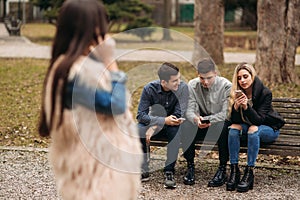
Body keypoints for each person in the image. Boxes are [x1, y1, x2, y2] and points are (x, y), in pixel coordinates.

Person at [38, 0, 142, 199]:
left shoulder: (74, 65)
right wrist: (112, 65)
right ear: (92, 28)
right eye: (103, 25)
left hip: (98, 167)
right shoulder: (75, 73)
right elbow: (116, 105)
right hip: (93, 175)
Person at [226, 63, 285, 192]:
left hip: (269, 129)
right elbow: (234, 121)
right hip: (250, 126)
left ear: (252, 76)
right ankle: (234, 170)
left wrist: (247, 106)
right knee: (233, 129)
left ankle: (249, 171)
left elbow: (259, 120)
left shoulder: (265, 93)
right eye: (239, 78)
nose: (242, 81)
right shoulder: (237, 92)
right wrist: (236, 108)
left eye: (245, 76)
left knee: (253, 130)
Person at [136, 62, 189, 188]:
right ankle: (144, 167)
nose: (179, 82)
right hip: (154, 121)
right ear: (163, 82)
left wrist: (156, 125)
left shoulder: (182, 88)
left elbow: (177, 114)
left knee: (174, 130)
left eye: (179, 78)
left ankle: (169, 170)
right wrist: (160, 122)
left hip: (169, 124)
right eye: (175, 80)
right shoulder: (149, 89)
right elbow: (140, 115)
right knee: (138, 130)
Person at [181, 58, 232, 186]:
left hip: (217, 124)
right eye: (202, 78)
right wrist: (195, 119)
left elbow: (226, 113)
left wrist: (210, 119)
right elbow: (189, 109)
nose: (205, 82)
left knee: (223, 126)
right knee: (186, 124)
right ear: (198, 75)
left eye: (209, 77)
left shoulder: (226, 86)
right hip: (200, 124)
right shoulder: (192, 85)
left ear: (215, 73)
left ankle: (222, 168)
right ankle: (190, 166)